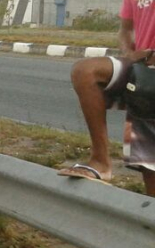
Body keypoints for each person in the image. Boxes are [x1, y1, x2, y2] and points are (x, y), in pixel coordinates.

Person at [59, 0, 155, 194]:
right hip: (144, 72)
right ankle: (101, 162)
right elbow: (126, 30)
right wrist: (129, 54)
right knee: (86, 72)